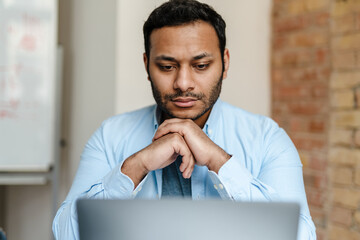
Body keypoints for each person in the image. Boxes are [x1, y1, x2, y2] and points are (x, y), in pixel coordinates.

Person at [53, 0, 316, 239]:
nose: (183, 83)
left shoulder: (267, 139)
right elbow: (65, 233)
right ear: (147, 65)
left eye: (201, 66)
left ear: (224, 63)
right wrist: (137, 165)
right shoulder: (111, 136)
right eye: (167, 67)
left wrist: (219, 161)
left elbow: (301, 235)